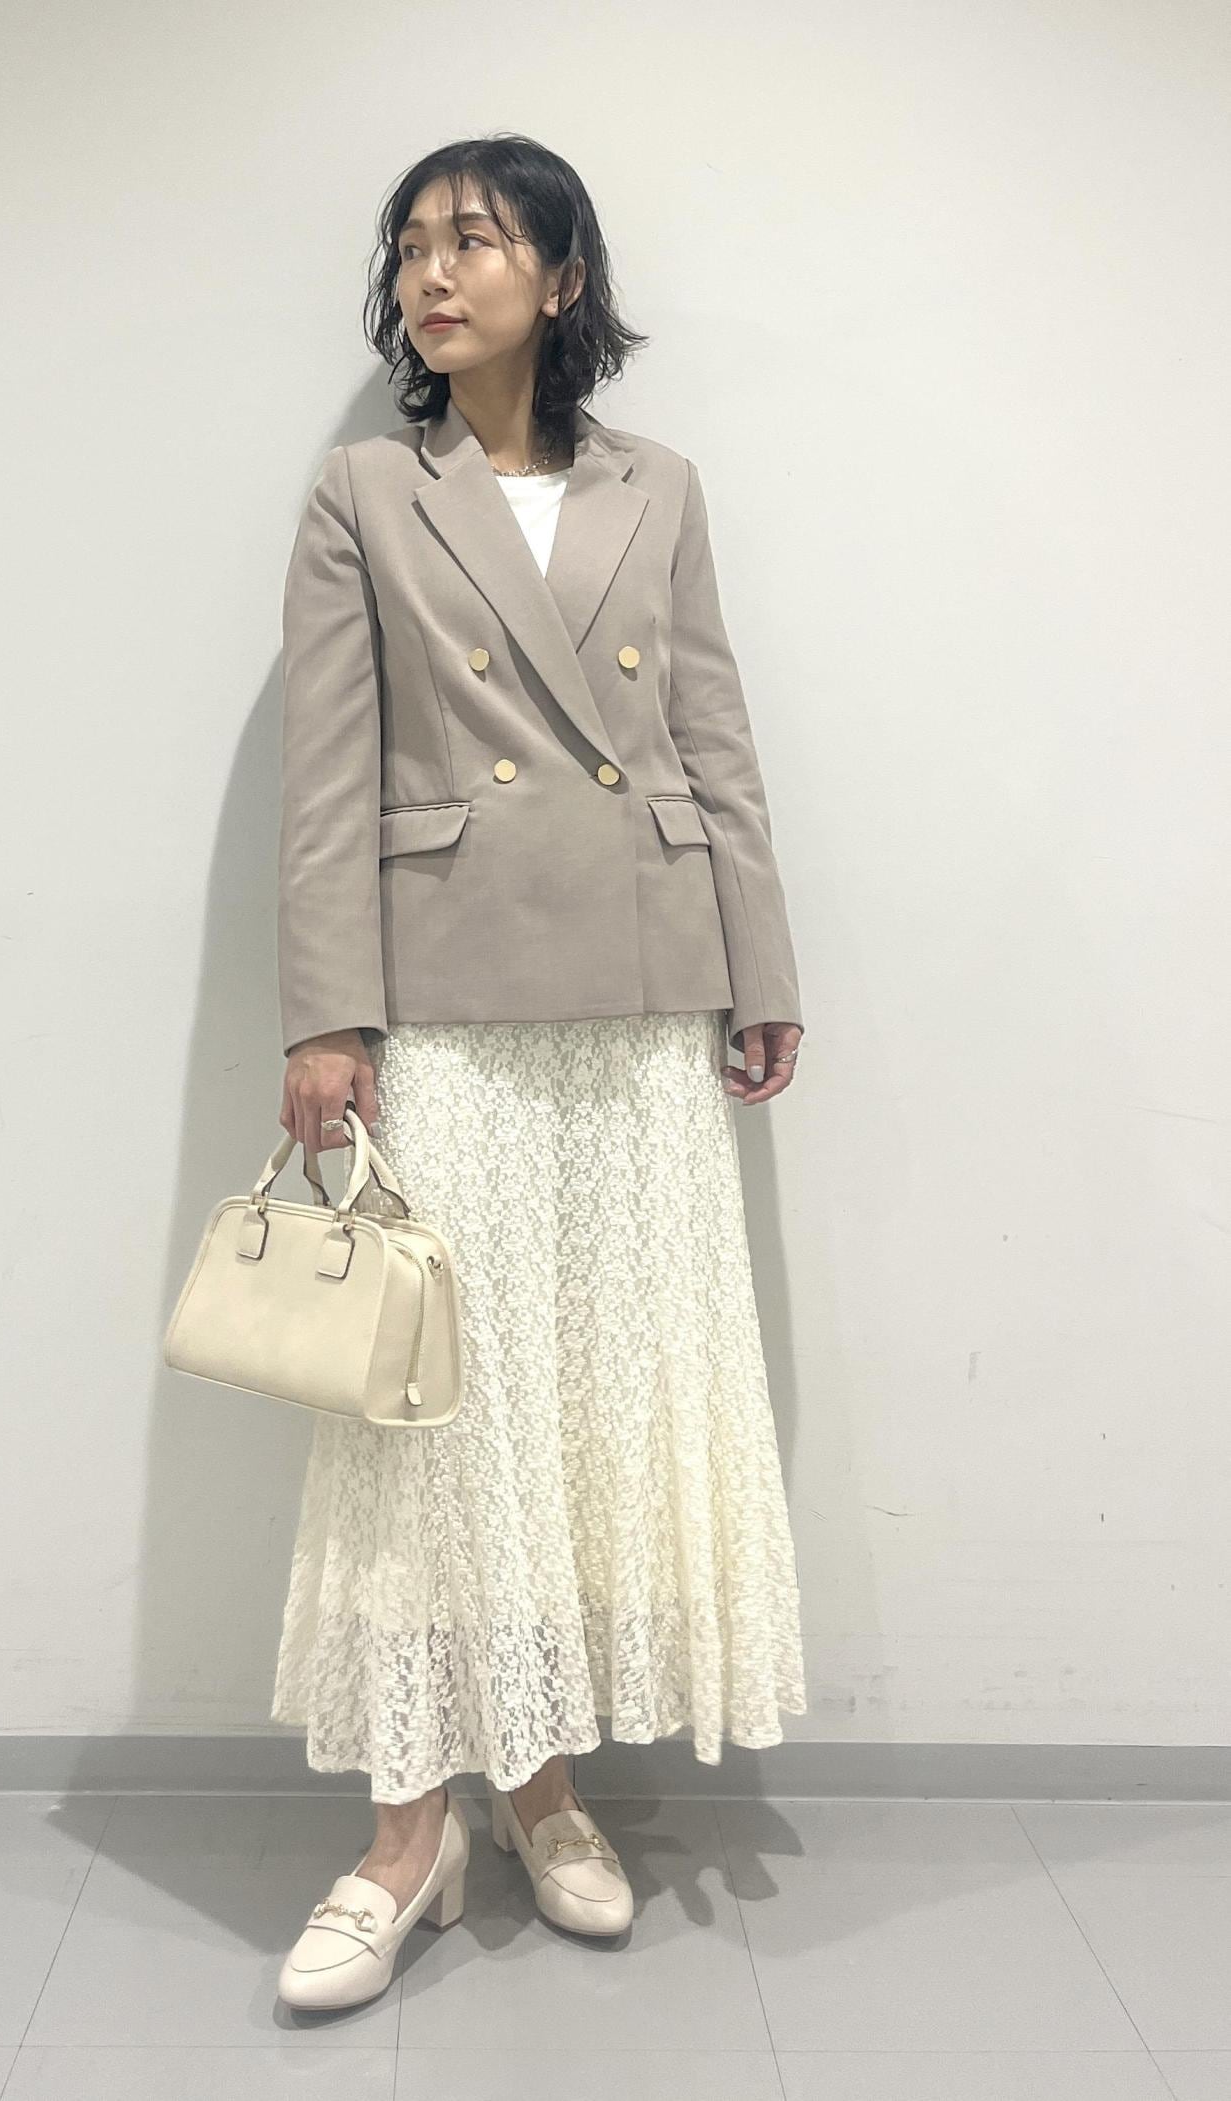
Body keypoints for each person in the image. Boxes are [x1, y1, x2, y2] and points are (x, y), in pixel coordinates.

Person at [269, 133, 807, 2010]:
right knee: (434, 1414)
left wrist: (760, 962)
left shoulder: (662, 487)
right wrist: (325, 1015)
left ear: (562, 279)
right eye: (413, 246)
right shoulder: (366, 490)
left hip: (644, 985)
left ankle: (545, 1781)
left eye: (477, 240)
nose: (436, 274)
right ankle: (401, 1836)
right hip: (452, 989)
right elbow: (327, 773)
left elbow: (715, 737)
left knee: (589, 1395)